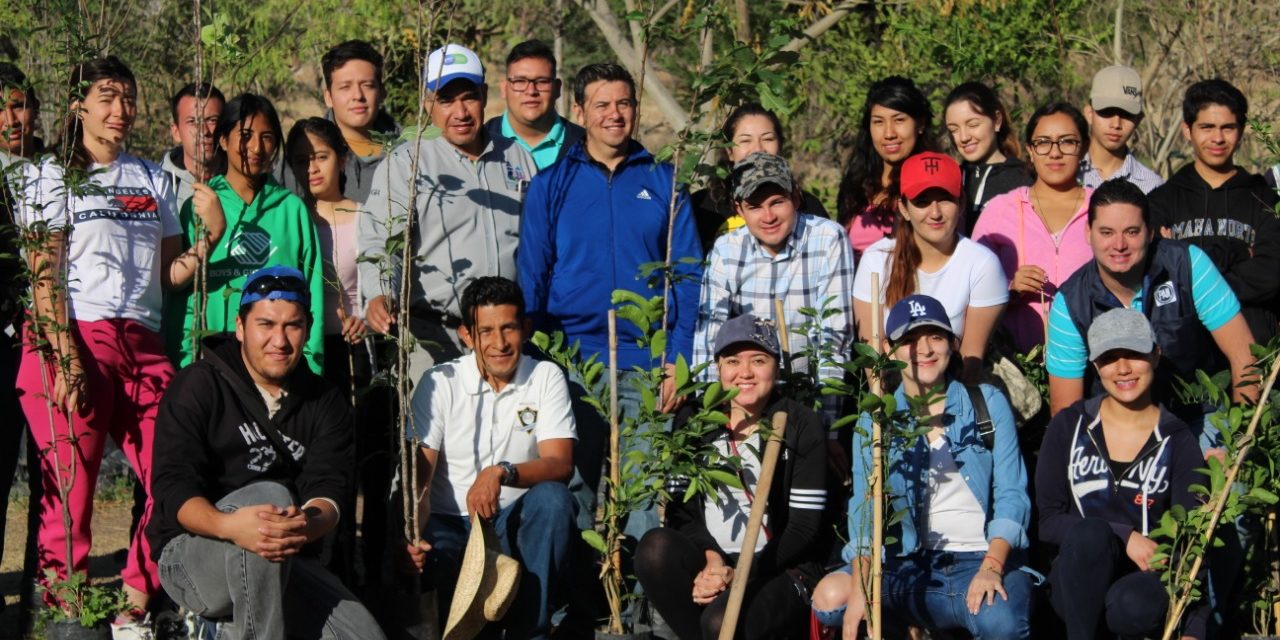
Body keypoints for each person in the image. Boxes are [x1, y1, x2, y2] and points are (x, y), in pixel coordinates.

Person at [14, 56, 217, 629]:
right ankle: (64, 615)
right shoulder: (49, 176)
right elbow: (44, 274)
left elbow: (165, 275)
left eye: (128, 97)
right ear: (78, 104)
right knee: (70, 494)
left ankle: (134, 602)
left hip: (142, 343)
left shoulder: (152, 177)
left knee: (175, 475)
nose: (121, 110)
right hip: (73, 333)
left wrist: (209, 240)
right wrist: (66, 358)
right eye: (107, 97)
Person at [518, 61, 703, 540]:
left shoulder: (665, 182)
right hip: (574, 361)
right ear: (579, 111)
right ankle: (580, 609)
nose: (614, 114)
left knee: (643, 494)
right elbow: (532, 276)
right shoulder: (550, 185)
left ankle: (640, 609)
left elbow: (686, 277)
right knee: (575, 486)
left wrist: (676, 359)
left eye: (624, 103)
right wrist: (538, 361)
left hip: (646, 361)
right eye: (602, 104)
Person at [148, 266, 383, 640]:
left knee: (363, 636)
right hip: (193, 555)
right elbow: (172, 488)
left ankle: (216, 631)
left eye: (292, 325)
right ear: (241, 327)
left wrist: (303, 525)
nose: (280, 339)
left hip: (283, 553)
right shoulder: (198, 384)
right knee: (268, 499)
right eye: (266, 324)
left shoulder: (325, 402)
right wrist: (229, 525)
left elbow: (330, 492)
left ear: (306, 330)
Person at [811, 295, 1033, 639]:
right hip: (910, 564)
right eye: (910, 340)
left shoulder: (987, 403)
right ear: (890, 349)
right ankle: (909, 626)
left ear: (953, 344)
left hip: (979, 558)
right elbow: (864, 505)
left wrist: (992, 566)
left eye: (936, 337)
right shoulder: (877, 419)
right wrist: (862, 586)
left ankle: (931, 621)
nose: (924, 349)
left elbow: (1011, 494)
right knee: (832, 600)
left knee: (1000, 623)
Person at [402, 276, 576, 640]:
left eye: (509, 328)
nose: (499, 343)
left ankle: (531, 630)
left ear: (525, 329)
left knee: (554, 500)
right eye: (486, 331)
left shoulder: (545, 376)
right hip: (452, 523)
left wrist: (501, 472)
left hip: (514, 519)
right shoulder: (441, 382)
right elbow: (420, 476)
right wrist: (413, 535)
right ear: (467, 335)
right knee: (439, 561)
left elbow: (560, 464)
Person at [636, 313, 827, 640]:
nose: (745, 373)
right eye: (733, 361)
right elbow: (681, 511)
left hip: (779, 567)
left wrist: (740, 573)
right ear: (718, 368)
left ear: (776, 368)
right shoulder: (695, 419)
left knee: (721, 623)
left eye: (758, 360)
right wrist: (712, 562)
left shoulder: (800, 424)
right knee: (654, 548)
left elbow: (803, 528)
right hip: (714, 559)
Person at [360, 43, 536, 384]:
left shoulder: (517, 158)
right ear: (428, 103)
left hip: (505, 338)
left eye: (468, 97)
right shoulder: (407, 164)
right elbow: (382, 239)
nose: (460, 111)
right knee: (437, 436)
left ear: (484, 95)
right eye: (445, 100)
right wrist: (382, 292)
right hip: (435, 336)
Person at [1036, 308, 1207, 640]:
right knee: (1091, 534)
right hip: (1076, 578)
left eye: (1134, 354)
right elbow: (1049, 520)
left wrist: (1194, 629)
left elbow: (1193, 539)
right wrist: (1124, 535)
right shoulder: (1069, 426)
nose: (1124, 368)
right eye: (1110, 358)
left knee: (1132, 605)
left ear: (1156, 355)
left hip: (1142, 584)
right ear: (1095, 366)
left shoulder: (1177, 439)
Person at [1045, 179, 1257, 436]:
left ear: (1151, 232)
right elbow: (1066, 410)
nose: (1120, 244)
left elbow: (1244, 356)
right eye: (1107, 232)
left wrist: (1243, 439)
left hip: (1199, 416)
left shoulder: (1189, 265)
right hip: (1113, 428)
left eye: (1132, 232)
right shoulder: (1070, 303)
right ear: (1088, 233)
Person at [286, 116, 392, 589]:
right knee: (317, 468)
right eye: (302, 159)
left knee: (365, 464)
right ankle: (321, 568)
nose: (312, 167)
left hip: (358, 354)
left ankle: (369, 571)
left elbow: (379, 287)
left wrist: (367, 319)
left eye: (322, 156)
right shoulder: (291, 217)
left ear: (343, 159)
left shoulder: (366, 216)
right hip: (305, 356)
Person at [164, 93, 326, 374]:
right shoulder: (200, 205)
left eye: (267, 137)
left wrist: (311, 366)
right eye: (246, 135)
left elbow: (312, 293)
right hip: (209, 362)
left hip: (278, 365)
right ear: (224, 141)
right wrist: (185, 364)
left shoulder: (291, 210)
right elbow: (180, 292)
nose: (256, 147)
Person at [694, 151, 853, 426]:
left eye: (777, 202)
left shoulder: (828, 238)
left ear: (796, 196)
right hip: (746, 396)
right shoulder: (726, 249)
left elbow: (834, 336)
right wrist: (713, 415)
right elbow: (710, 334)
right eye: (755, 206)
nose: (768, 216)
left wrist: (827, 426)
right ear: (739, 209)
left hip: (807, 395)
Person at [854, 152, 1007, 382]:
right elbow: (874, 362)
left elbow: (971, 362)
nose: (935, 213)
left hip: (956, 393)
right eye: (922, 202)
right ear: (904, 208)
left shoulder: (982, 264)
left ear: (961, 203)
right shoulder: (876, 260)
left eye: (944, 199)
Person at [1149, 79, 1280, 345]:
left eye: (1228, 128)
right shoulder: (1162, 201)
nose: (1218, 138)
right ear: (1187, 130)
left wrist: (1193, 279)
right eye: (1207, 127)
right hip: (1181, 355)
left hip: (1254, 353)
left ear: (1241, 131)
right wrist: (1241, 253)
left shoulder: (1265, 199)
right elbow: (1155, 271)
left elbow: (1271, 273)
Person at [972, 103, 1094, 353]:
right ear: (1030, 150)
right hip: (1017, 364)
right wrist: (1009, 287)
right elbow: (969, 288)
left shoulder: (1104, 209)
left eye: (1067, 142)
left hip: (1092, 361)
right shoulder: (999, 210)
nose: (1055, 153)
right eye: (1043, 142)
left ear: (1083, 148)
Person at [690, 102, 828, 253]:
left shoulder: (808, 206)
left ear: (780, 146)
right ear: (729, 151)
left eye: (768, 139)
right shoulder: (700, 206)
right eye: (745, 140)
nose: (758, 149)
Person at [836, 76, 936, 260]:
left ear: (920, 124)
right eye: (878, 122)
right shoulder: (856, 186)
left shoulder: (934, 184)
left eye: (899, 120)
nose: (889, 133)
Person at [311, 39, 400, 203]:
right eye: (345, 87)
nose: (358, 96)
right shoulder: (306, 154)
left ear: (382, 92)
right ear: (328, 97)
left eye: (367, 85)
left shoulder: (409, 152)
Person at [942, 81, 1032, 235]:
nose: (963, 137)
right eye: (954, 129)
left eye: (973, 125)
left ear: (997, 120)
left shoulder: (1024, 180)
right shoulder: (949, 180)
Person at [484, 39, 584, 171]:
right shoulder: (480, 142)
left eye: (542, 81)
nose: (531, 91)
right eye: (520, 81)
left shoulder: (587, 146)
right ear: (504, 89)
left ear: (557, 88)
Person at [1078, 65, 1163, 193]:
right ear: (1089, 114)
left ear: (1138, 120)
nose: (1116, 124)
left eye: (1126, 114)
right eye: (1107, 111)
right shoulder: (1064, 172)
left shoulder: (1153, 187)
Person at [160, 82, 225, 209]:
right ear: (176, 132)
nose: (204, 131)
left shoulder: (242, 182)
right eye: (193, 122)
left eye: (212, 120)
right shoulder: (156, 186)